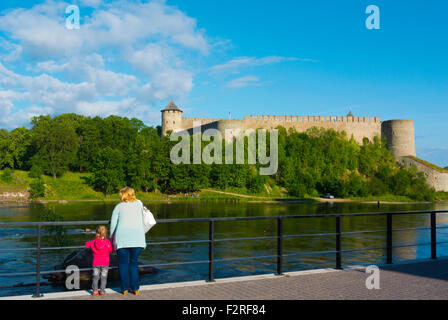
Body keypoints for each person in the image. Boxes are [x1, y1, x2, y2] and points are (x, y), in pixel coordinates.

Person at [110, 187, 147, 296]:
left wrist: (112, 238)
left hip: (122, 240)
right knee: (133, 263)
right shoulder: (139, 204)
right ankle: (135, 288)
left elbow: (113, 225)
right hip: (138, 239)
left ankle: (125, 289)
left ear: (123, 195)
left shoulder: (118, 207)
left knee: (123, 264)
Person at [85, 225, 113, 296]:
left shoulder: (93, 242)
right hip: (105, 263)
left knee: (95, 277)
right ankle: (102, 291)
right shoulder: (107, 242)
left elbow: (86, 245)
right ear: (105, 234)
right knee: (103, 278)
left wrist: (91, 242)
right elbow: (111, 250)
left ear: (97, 234)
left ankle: (95, 291)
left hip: (96, 263)